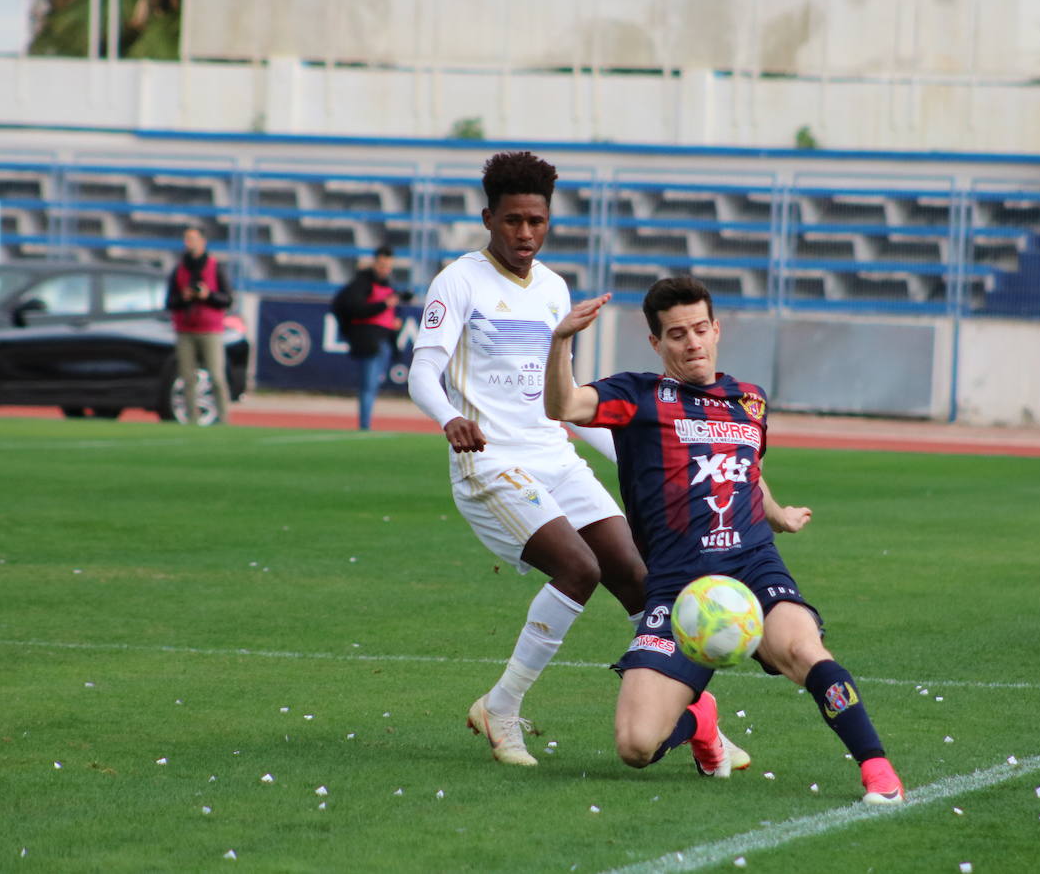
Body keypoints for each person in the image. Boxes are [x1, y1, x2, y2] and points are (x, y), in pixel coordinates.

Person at [407, 152, 745, 774]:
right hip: (490, 465)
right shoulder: (459, 282)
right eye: (512, 221)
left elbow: (562, 400)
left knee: (640, 578)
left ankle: (698, 715)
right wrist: (448, 417)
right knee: (579, 568)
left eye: (537, 220)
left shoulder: (555, 288)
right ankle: (501, 707)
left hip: (552, 456)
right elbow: (422, 372)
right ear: (489, 219)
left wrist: (634, 452)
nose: (526, 234)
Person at [543, 275, 907, 805]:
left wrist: (778, 514)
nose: (691, 343)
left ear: (716, 329)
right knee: (635, 744)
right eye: (676, 335)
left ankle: (878, 770)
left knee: (805, 651)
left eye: (698, 329)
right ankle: (700, 722)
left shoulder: (750, 401)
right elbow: (564, 407)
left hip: (753, 567)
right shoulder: (637, 396)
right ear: (656, 343)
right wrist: (561, 342)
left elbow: (746, 470)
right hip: (677, 588)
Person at [165, 226, 233, 425]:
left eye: (193, 239)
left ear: (203, 241)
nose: (190, 243)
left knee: (217, 377)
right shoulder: (179, 269)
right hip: (185, 329)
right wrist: (184, 297)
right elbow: (170, 302)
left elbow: (227, 299)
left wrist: (208, 295)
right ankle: (192, 420)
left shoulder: (215, 266)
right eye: (187, 239)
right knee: (187, 378)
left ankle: (224, 419)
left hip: (210, 329)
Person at [332, 245, 405, 430]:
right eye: (381, 265)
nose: (384, 270)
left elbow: (389, 311)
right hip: (368, 340)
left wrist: (394, 321)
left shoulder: (387, 285)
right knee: (368, 386)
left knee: (373, 385)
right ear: (374, 263)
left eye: (388, 266)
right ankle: (364, 425)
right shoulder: (361, 284)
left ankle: (367, 423)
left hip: (383, 341)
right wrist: (383, 305)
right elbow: (354, 308)